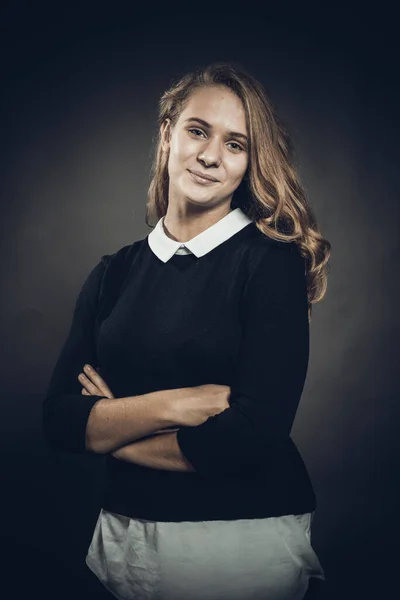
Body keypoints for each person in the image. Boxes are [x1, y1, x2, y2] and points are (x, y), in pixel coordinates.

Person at [42, 62, 331, 600]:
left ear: (249, 164)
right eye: (198, 130)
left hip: (239, 542)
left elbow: (252, 436)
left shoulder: (269, 265)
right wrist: (178, 405)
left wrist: (112, 432)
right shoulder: (114, 273)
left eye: (235, 144)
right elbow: (59, 420)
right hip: (125, 536)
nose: (210, 156)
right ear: (167, 132)